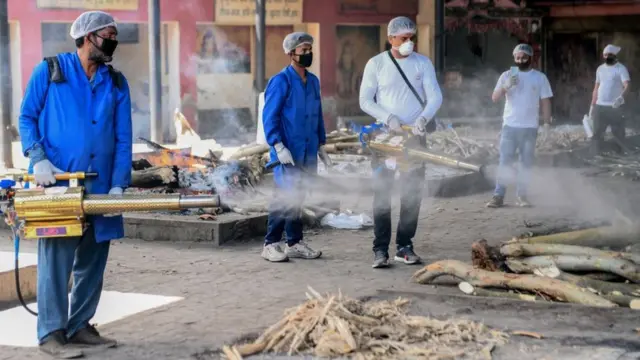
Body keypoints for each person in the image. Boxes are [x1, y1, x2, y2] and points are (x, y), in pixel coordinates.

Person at [19, 11, 132, 358]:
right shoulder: (51, 70)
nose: (113, 41)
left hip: (101, 187)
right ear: (86, 37)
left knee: (93, 260)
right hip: (59, 184)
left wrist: (118, 184)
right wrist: (37, 157)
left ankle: (80, 325)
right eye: (107, 35)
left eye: (114, 35)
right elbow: (27, 117)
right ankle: (51, 334)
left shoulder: (115, 82)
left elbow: (123, 136)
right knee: (56, 261)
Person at [359, 16, 443, 268]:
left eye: (411, 37)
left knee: (412, 193)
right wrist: (388, 117)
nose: (409, 42)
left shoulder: (423, 63)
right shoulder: (376, 64)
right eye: (403, 38)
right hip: (386, 138)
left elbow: (435, 96)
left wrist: (423, 119)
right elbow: (365, 100)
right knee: (382, 194)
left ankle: (405, 246)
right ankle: (380, 249)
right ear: (390, 39)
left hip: (415, 137)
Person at [261, 32, 330, 263]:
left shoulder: (313, 82)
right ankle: (270, 243)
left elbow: (317, 114)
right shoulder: (281, 81)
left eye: (310, 49)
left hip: (308, 150)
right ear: (291, 53)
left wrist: (321, 144)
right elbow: (269, 116)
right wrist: (278, 145)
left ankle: (294, 242)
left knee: (299, 197)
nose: (308, 53)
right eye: (303, 50)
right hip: (287, 151)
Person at [486, 44, 552, 208]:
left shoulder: (539, 77)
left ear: (530, 58)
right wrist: (505, 86)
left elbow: (545, 101)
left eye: (524, 57)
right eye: (517, 57)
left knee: (526, 163)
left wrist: (546, 124)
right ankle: (498, 196)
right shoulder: (507, 75)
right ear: (514, 58)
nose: (520, 60)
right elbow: (494, 98)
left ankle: (522, 196)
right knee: (505, 161)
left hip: (530, 127)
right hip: (510, 126)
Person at [590, 44, 630, 155]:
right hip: (600, 106)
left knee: (618, 134)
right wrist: (592, 105)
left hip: (615, 107)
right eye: (605, 54)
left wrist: (621, 98)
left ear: (615, 55)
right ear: (603, 56)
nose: (607, 56)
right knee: (597, 134)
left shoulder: (621, 68)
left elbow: (627, 86)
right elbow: (596, 88)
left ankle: (620, 157)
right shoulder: (600, 69)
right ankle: (596, 157)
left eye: (610, 54)